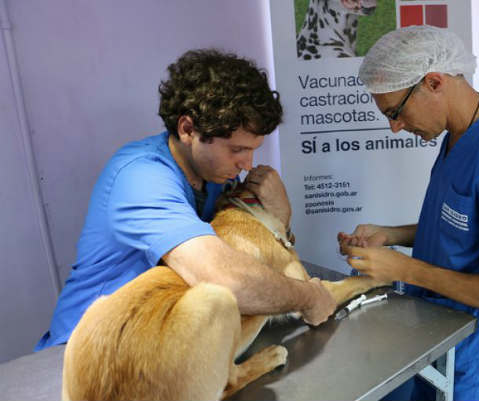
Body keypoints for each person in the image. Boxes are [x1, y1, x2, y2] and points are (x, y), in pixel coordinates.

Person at [36, 49, 336, 351]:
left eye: (252, 150)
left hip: (156, 341)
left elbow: (257, 253)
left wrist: (282, 218)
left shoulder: (215, 175)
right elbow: (225, 280)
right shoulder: (140, 178)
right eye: (237, 150)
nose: (247, 164)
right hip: (83, 350)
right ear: (188, 129)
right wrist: (308, 297)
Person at [338, 26, 479, 401]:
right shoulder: (457, 137)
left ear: (433, 82)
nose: (395, 128)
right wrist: (390, 235)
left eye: (396, 113)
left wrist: (402, 269)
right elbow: (460, 225)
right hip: (436, 343)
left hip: (473, 366)